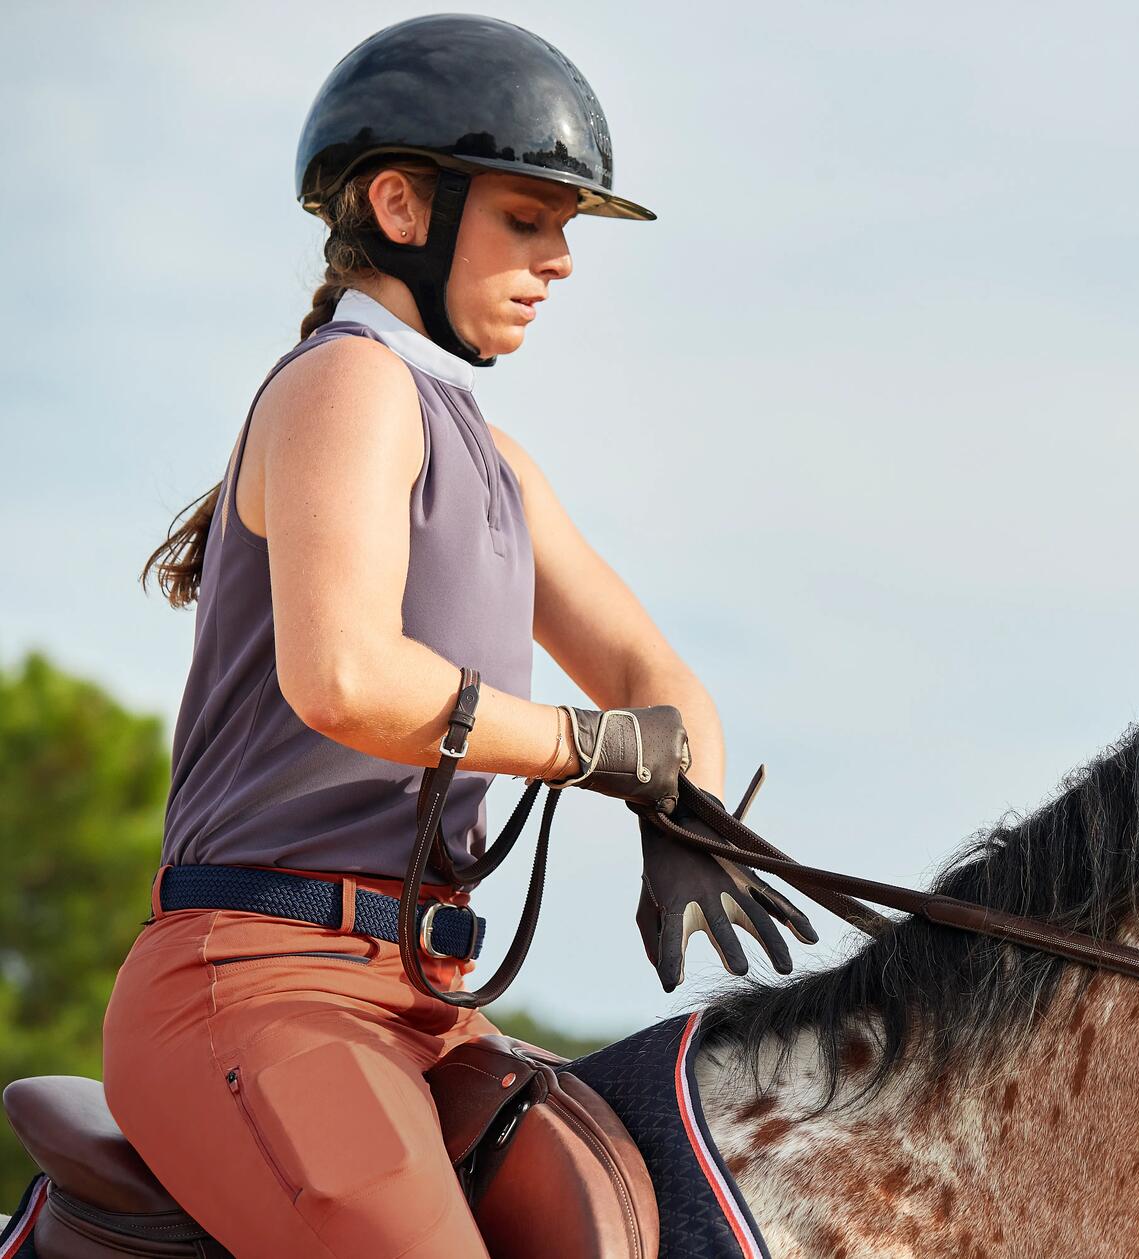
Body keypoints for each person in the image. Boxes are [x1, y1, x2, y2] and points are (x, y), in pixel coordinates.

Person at [100, 15, 813, 1258]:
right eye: (529, 220)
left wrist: (679, 802)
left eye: (566, 231)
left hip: (427, 1003)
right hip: (255, 979)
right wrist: (602, 751)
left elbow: (657, 681)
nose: (562, 261)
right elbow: (346, 676)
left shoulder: (497, 460)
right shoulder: (345, 385)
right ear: (403, 205)